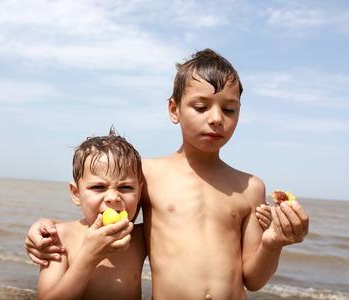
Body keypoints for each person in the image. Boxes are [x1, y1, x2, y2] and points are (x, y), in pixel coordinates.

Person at [27, 48, 308, 299]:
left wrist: (274, 243)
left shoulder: (250, 187)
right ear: (174, 110)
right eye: (200, 107)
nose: (216, 118)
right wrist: (44, 224)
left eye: (229, 109)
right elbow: (103, 213)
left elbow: (253, 280)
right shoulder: (147, 174)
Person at [36, 129, 147, 299]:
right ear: (76, 194)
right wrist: (89, 257)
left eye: (125, 187)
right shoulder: (60, 237)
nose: (112, 197)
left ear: (139, 192)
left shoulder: (141, 237)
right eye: (98, 187)